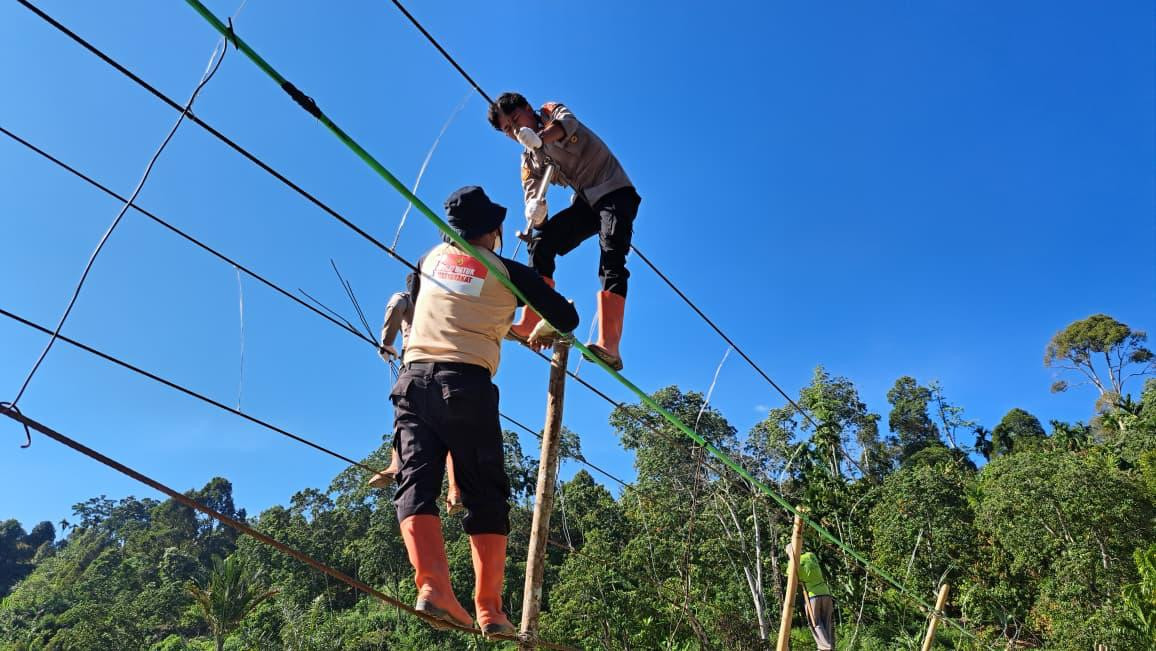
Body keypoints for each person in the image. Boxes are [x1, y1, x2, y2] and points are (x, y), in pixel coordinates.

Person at [391, 186, 579, 636]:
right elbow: (566, 319)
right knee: (485, 493)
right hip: (466, 385)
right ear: (495, 231)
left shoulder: (428, 260)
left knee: (414, 481)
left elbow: (433, 301)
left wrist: (505, 326)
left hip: (412, 380)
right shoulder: (511, 273)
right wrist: (541, 329)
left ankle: (433, 585)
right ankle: (490, 609)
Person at [487, 92, 640, 370]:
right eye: (507, 130)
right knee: (541, 242)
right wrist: (537, 214)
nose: (515, 130)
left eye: (515, 120)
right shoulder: (528, 162)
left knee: (612, 256)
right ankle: (532, 318)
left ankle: (609, 345)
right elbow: (532, 197)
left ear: (526, 108)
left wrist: (541, 138)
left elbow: (567, 123)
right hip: (587, 203)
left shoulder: (549, 111)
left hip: (614, 189)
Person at [368, 274, 463, 516]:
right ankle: (455, 490)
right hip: (450, 369)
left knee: (405, 422)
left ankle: (395, 465)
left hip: (415, 367)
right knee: (451, 433)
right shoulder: (443, 302)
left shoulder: (407, 299)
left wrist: (387, 344)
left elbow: (396, 305)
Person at [787, 542, 836, 651]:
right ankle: (829, 646)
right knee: (826, 621)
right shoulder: (811, 555)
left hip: (813, 596)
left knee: (815, 622)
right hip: (826, 593)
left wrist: (791, 557)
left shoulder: (793, 563)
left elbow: (791, 577)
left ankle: (825, 647)